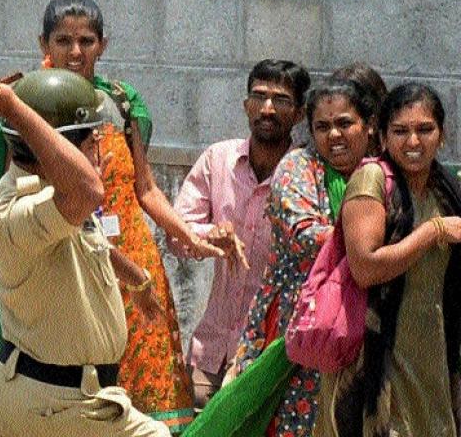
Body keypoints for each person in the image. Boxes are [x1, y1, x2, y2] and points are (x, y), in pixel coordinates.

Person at [0, 0, 221, 434]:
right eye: (64, 41)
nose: (76, 52)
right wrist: (13, 108)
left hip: (106, 276)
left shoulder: (120, 103)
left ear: (102, 44)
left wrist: (138, 274)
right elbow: (81, 194)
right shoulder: (27, 199)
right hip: (54, 397)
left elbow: (105, 214)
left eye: (87, 41)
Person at [0, 68, 172, 436]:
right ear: (64, 147)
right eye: (90, 144)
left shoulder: (54, 196)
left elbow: (90, 241)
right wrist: (11, 106)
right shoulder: (21, 205)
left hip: (55, 400)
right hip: (56, 405)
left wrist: (136, 279)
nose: (98, 153)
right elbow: (89, 191)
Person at [228, 78, 378, 437]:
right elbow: (306, 234)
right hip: (302, 327)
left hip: (368, 327)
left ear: (369, 125)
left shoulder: (379, 171)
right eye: (322, 127)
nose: (335, 135)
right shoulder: (298, 168)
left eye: (345, 123)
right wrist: (375, 245)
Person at [316, 83, 461, 436]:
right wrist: (433, 232)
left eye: (425, 130)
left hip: (431, 358)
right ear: (382, 136)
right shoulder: (373, 179)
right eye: (400, 131)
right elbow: (365, 268)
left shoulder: (446, 189)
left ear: (441, 137)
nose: (413, 142)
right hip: (378, 359)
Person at [170, 59, 310, 410]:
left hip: (270, 359)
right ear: (245, 104)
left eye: (280, 100)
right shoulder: (218, 159)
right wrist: (210, 236)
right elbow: (176, 232)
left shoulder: (307, 175)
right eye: (259, 96)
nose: (267, 108)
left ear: (299, 114)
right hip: (209, 353)